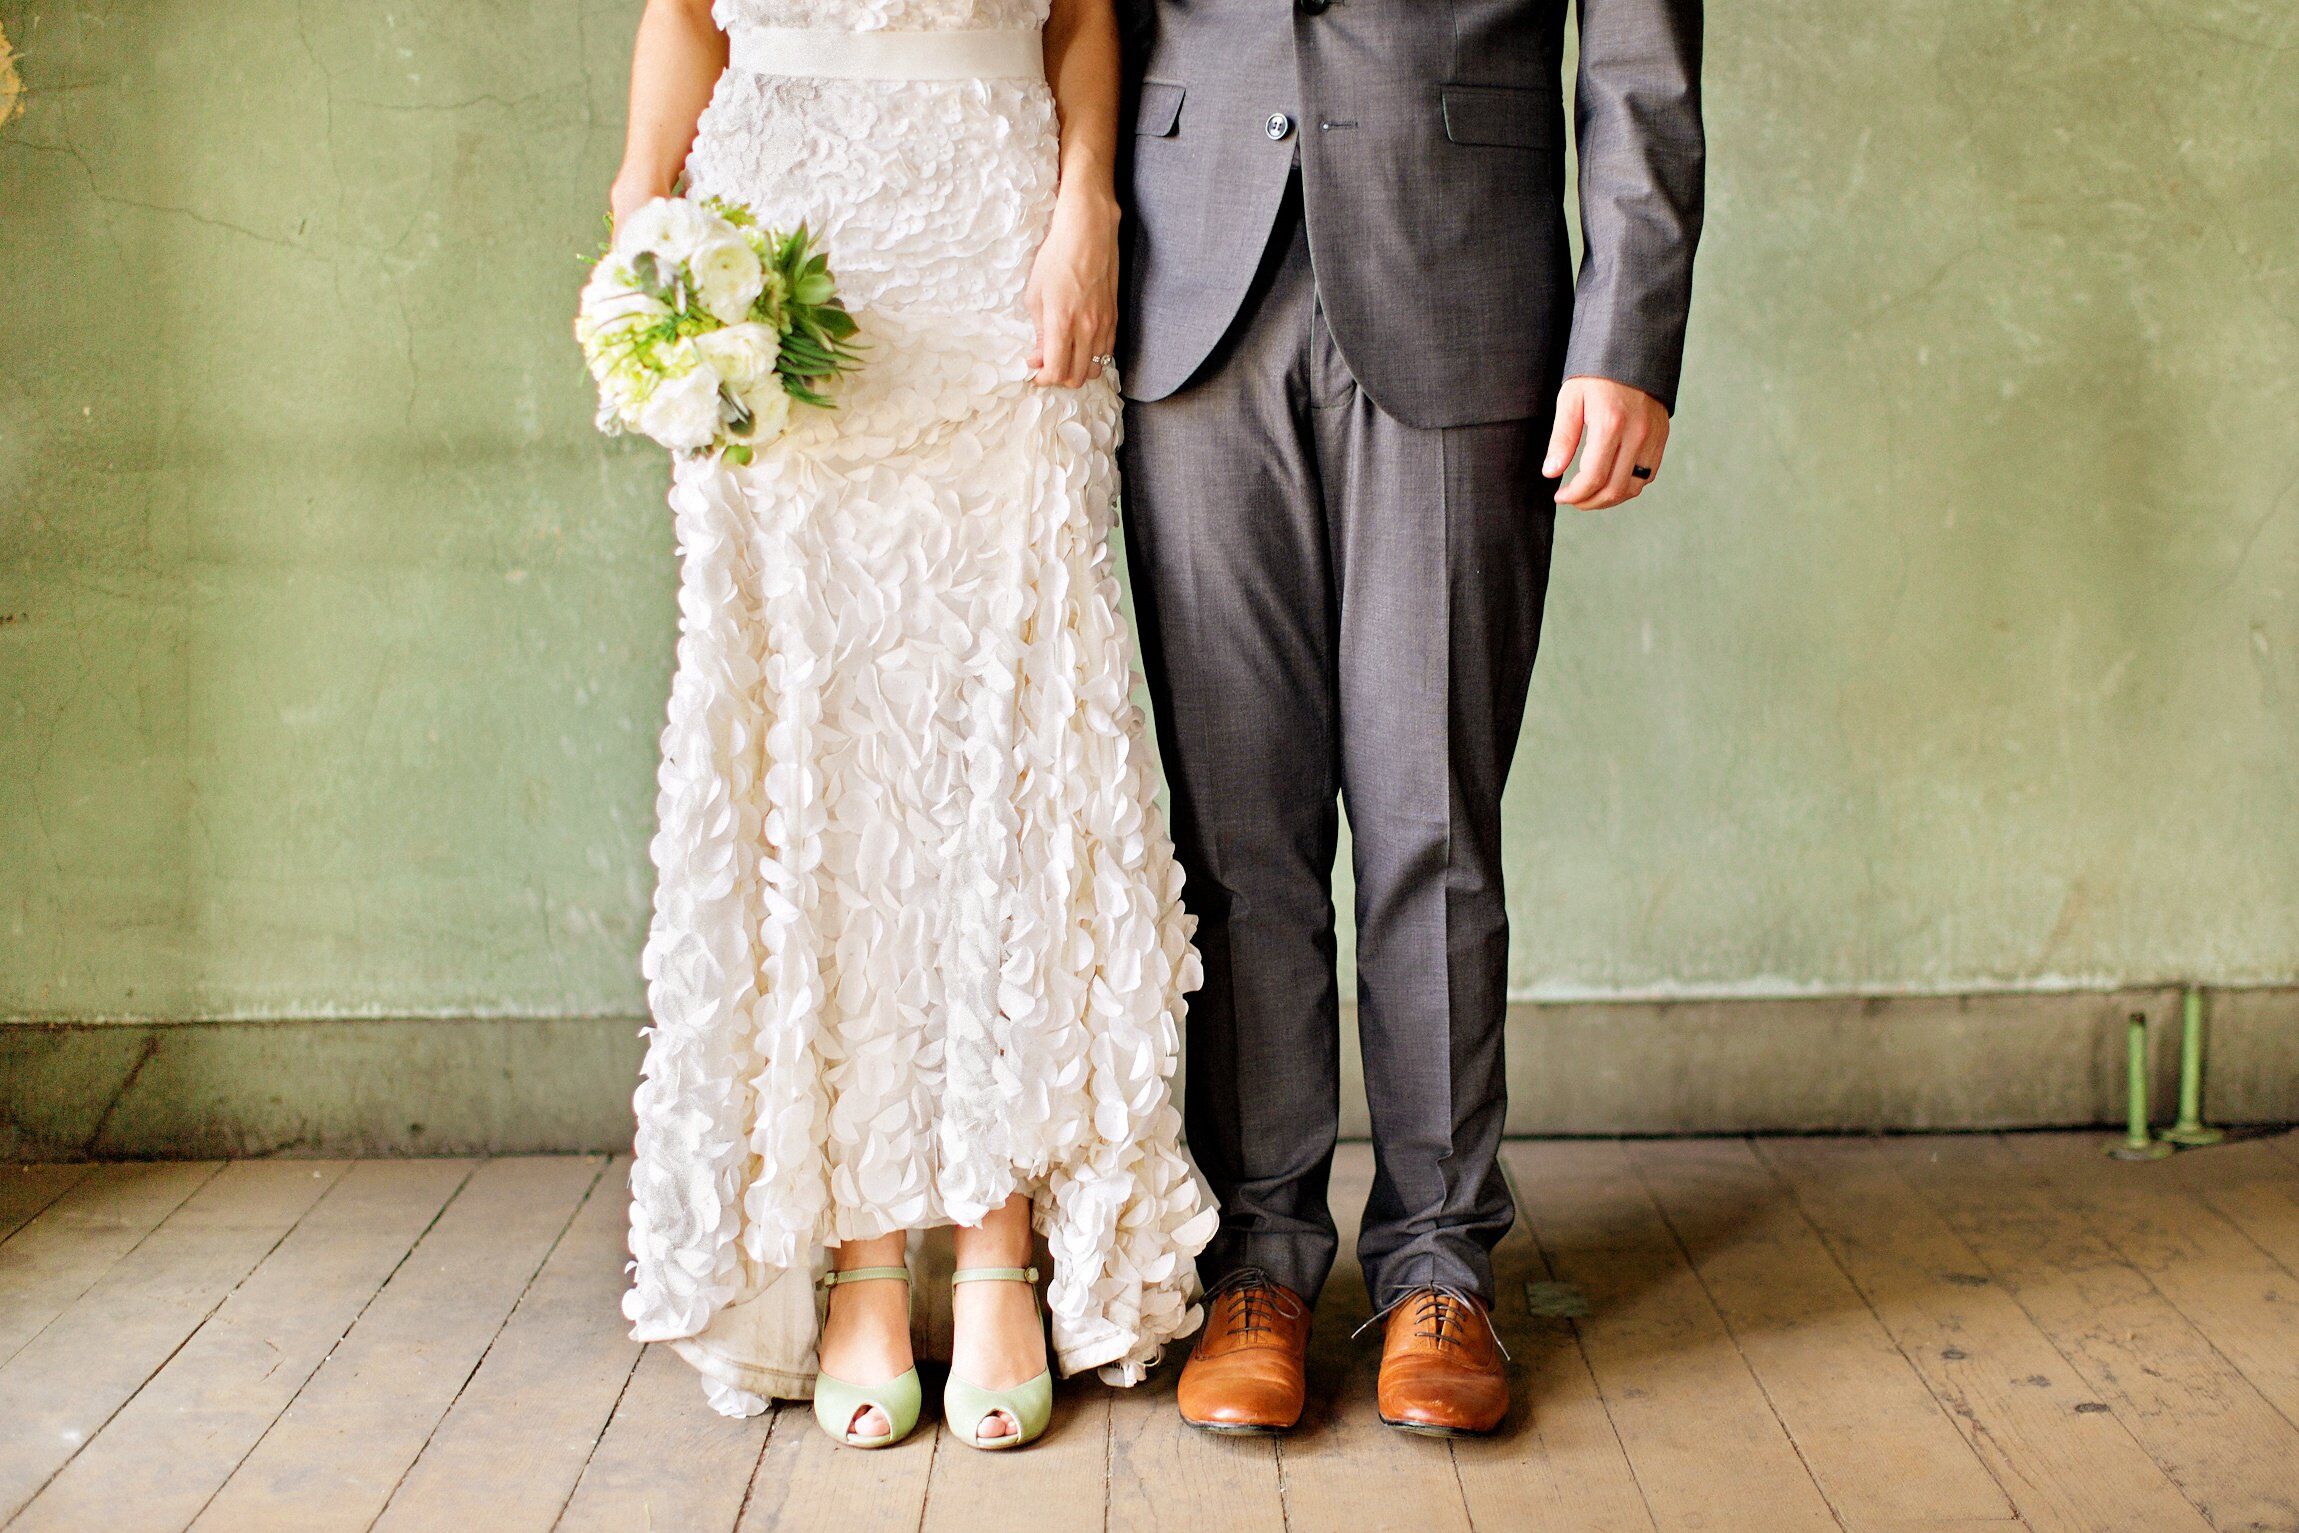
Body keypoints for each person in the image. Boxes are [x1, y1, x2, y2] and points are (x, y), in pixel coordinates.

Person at [607, 0, 1215, 1449]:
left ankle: (996, 1226)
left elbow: (1081, 17)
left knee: (1002, 743)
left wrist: (1088, 203)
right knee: (828, 763)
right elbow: (683, 17)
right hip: (783, 257)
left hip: (995, 258)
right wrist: (645, 224)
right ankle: (863, 1249)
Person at [1116, 0, 1705, 1437]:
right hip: (1190, 284)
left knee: (1431, 814)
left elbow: (1642, 58)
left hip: (1459, 280)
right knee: (1234, 831)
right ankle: (1258, 1257)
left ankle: (1439, 1262)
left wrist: (1626, 326)